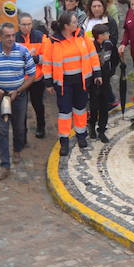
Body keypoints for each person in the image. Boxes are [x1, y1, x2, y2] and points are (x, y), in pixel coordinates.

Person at [44, 11, 100, 157]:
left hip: (81, 81)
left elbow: (92, 54)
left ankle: (81, 136)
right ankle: (64, 140)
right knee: (64, 112)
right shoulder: (53, 42)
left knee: (81, 109)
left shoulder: (82, 36)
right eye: (74, 22)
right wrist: (48, 82)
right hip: (63, 83)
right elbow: (47, 62)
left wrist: (97, 73)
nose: (77, 24)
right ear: (66, 26)